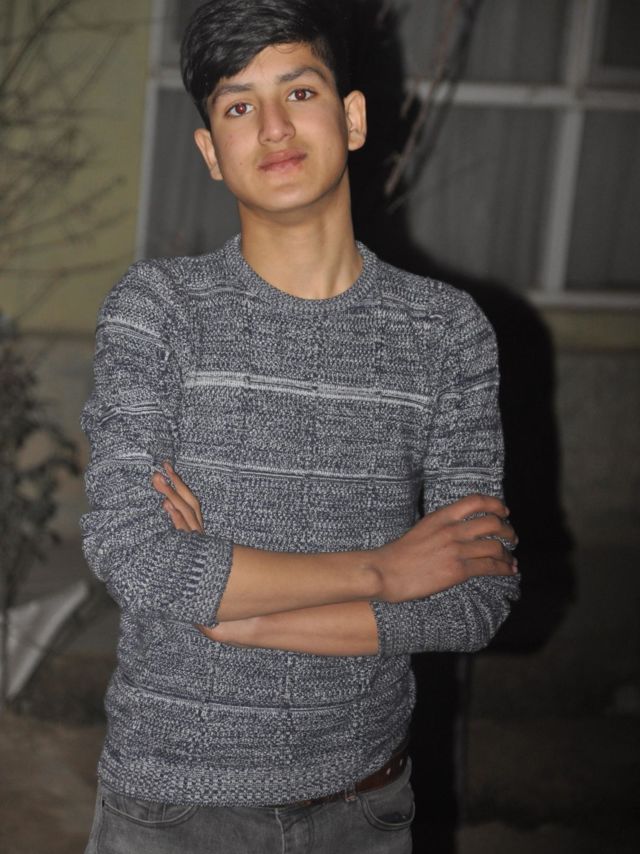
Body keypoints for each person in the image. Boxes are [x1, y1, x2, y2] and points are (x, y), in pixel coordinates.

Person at [81, 1, 520, 851]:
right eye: (239, 106)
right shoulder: (158, 311)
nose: (274, 127)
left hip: (366, 806)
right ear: (211, 151)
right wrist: (385, 571)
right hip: (172, 809)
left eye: (300, 91)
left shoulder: (445, 331)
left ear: (352, 118)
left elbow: (475, 596)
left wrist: (238, 614)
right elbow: (136, 555)